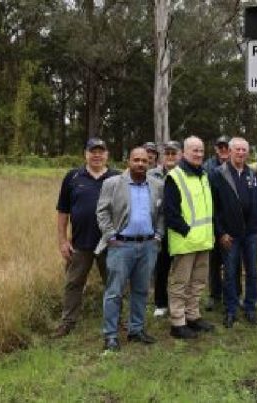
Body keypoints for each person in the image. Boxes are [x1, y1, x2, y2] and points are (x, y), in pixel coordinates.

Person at [96, 146, 165, 352]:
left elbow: (162, 213)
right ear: (129, 161)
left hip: (148, 245)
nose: (141, 164)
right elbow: (102, 212)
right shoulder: (112, 183)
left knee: (141, 290)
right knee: (114, 292)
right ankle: (110, 335)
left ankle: (136, 329)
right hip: (121, 246)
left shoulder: (157, 185)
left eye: (144, 161)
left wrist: (158, 235)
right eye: (136, 160)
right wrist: (110, 236)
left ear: (149, 163)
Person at [54, 138, 119, 338]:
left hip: (110, 243)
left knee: (114, 283)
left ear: (107, 154)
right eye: (93, 151)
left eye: (101, 151)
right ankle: (68, 322)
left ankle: (116, 321)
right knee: (73, 283)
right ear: (86, 154)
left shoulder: (117, 177)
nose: (97, 155)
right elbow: (63, 211)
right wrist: (62, 241)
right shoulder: (73, 177)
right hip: (80, 243)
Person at [163, 136, 216, 339]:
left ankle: (193, 316)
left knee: (198, 282)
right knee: (180, 284)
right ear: (184, 152)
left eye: (201, 150)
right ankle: (178, 323)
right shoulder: (175, 177)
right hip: (185, 242)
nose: (199, 154)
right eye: (194, 150)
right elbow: (171, 213)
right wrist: (187, 232)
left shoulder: (203, 175)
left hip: (204, 241)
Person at [211, 137, 257, 328]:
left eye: (244, 150)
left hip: (251, 233)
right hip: (230, 234)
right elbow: (213, 207)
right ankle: (231, 310)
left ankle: (250, 307)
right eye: (238, 149)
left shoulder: (252, 174)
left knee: (252, 272)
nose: (241, 153)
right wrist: (221, 233)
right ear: (230, 151)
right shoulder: (219, 174)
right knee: (230, 273)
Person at [150, 140, 182, 318]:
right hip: (158, 227)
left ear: (180, 155)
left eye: (173, 153)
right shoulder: (151, 174)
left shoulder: (184, 173)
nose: (170, 156)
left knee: (180, 269)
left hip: (178, 226)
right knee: (161, 267)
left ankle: (179, 302)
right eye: (167, 153)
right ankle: (161, 303)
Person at [203, 134, 232, 311]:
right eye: (220, 147)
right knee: (214, 262)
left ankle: (234, 294)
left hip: (232, 222)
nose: (223, 150)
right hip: (213, 220)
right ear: (216, 149)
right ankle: (215, 295)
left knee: (232, 261)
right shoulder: (207, 167)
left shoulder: (236, 164)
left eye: (226, 147)